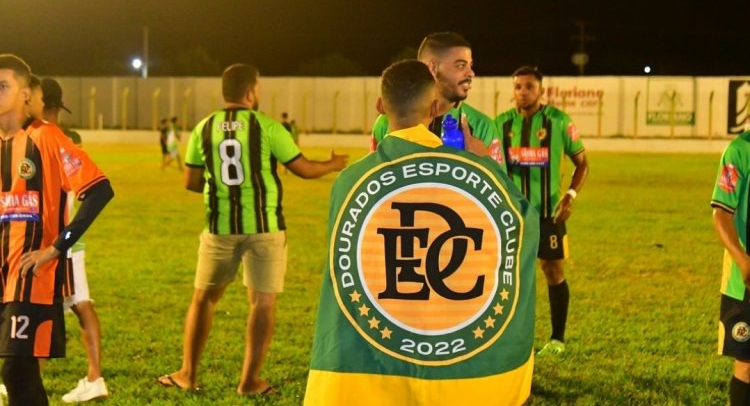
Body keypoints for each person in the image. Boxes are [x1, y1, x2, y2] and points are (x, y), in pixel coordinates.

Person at [305, 60, 538, 406]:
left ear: (381, 107)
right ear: (433, 108)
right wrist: (484, 162)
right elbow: (522, 221)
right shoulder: (475, 173)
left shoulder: (349, 182)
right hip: (463, 381)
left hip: (371, 374)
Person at [158, 63, 348, 396]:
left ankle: (188, 374)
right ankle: (249, 381)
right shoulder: (269, 127)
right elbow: (303, 169)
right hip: (266, 228)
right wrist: (333, 163)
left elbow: (189, 181)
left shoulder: (204, 128)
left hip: (219, 227)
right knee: (262, 303)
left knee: (203, 300)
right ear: (251, 91)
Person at [0, 54, 114, 406]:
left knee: (16, 371)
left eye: (3, 85)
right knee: (18, 372)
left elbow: (99, 191)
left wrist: (56, 248)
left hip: (32, 274)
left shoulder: (47, 137)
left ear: (24, 93)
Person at [495, 65, 589, 357]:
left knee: (552, 269)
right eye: (518, 87)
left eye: (529, 87)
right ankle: (510, 339)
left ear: (541, 90)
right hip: (511, 215)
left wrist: (570, 196)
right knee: (509, 275)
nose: (523, 92)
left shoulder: (559, 122)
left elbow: (582, 163)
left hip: (549, 213)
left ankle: (557, 339)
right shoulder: (501, 124)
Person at [28, 78, 108, 403]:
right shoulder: (67, 138)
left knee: (76, 305)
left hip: (60, 242)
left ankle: (94, 377)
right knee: (55, 307)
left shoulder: (49, 139)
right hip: (63, 240)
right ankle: (31, 376)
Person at [370, 32, 504, 170]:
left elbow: (502, 188)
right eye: (460, 65)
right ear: (432, 68)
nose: (471, 73)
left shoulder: (482, 126)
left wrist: (484, 164)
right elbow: (373, 178)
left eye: (470, 65)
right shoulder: (387, 122)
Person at [711, 132, 750, 405]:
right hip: (744, 281)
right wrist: (742, 259)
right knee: (746, 363)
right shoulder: (738, 151)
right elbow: (721, 214)